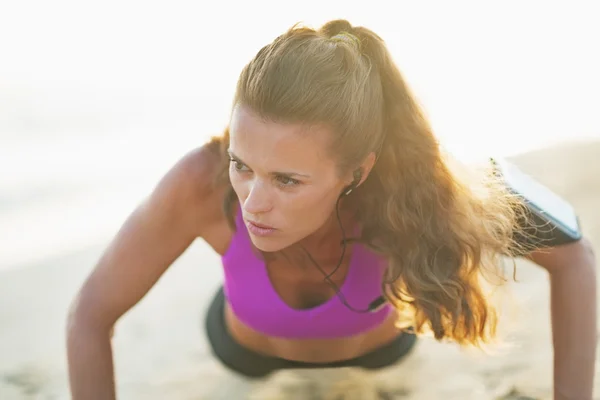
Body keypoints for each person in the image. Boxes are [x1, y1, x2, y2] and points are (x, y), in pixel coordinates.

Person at [66, 19, 597, 399]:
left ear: (357, 173)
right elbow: (90, 315)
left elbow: (573, 256)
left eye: (287, 180)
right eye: (241, 163)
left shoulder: (421, 179)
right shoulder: (199, 183)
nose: (252, 203)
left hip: (379, 352)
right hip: (245, 351)